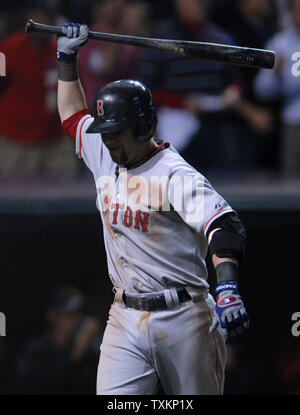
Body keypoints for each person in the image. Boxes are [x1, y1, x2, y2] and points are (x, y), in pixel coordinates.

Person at [55, 23, 249, 395]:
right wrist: (67, 58)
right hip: (124, 314)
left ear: (143, 128)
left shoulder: (174, 174)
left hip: (184, 315)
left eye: (116, 131)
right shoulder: (105, 150)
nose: (107, 138)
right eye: (105, 130)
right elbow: (71, 116)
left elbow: (225, 225)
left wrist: (226, 286)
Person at [0, 6, 80, 178]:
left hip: (55, 141)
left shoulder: (61, 52)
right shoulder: (7, 49)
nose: (42, 25)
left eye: (46, 20)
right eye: (38, 20)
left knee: (64, 195)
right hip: (16, 142)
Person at [14, 285, 101, 395]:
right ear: (52, 315)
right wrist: (76, 354)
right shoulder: (34, 354)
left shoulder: (90, 357)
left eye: (79, 314)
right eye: (69, 314)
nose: (76, 321)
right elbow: (42, 387)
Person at [254, 0, 300, 178]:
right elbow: (261, 90)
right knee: (292, 182)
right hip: (293, 124)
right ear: (290, 14)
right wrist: (276, 74)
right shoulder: (279, 44)